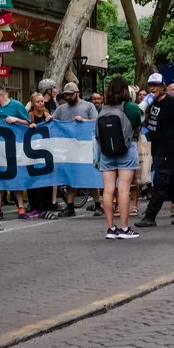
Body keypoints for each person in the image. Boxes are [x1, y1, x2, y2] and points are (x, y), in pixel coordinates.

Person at [136, 73, 174, 228]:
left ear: (162, 86)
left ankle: (150, 215)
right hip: (157, 146)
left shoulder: (171, 102)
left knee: (160, 182)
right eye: (150, 85)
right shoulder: (151, 103)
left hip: (168, 146)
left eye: (155, 85)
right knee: (171, 183)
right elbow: (148, 122)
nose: (152, 88)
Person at [94, 76, 140, 240]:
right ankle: (124, 227)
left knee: (108, 190)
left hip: (106, 152)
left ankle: (110, 228)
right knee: (124, 189)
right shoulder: (131, 108)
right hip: (126, 150)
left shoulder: (102, 110)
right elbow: (137, 126)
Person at [51, 82, 101, 217]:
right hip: (69, 149)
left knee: (89, 175)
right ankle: (70, 205)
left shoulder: (88, 106)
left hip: (85, 147)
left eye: (70, 94)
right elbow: (52, 122)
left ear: (77, 93)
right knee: (70, 177)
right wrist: (49, 119)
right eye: (66, 95)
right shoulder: (61, 109)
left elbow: (96, 122)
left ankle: (98, 204)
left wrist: (83, 120)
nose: (67, 97)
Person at [0, 84, 30, 220]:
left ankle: (20, 207)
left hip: (13, 148)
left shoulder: (16, 106)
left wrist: (16, 120)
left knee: (14, 176)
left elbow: (28, 123)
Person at [23, 93, 54, 219]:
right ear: (33, 104)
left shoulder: (47, 115)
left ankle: (46, 206)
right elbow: (22, 129)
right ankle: (35, 206)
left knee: (47, 179)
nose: (41, 104)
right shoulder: (29, 116)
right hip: (33, 152)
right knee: (34, 179)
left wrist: (50, 121)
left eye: (42, 101)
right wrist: (29, 126)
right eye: (38, 102)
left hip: (46, 152)